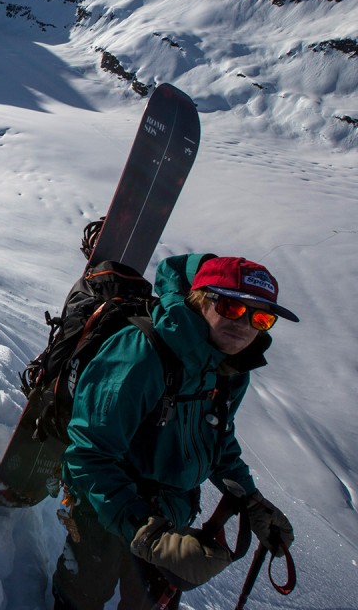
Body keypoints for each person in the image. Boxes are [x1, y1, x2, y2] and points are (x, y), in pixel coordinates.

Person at [52, 254, 298, 610]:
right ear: (200, 300)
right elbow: (88, 455)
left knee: (148, 601)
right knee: (86, 591)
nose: (244, 325)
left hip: (171, 511)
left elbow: (217, 440)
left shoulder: (230, 368)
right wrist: (145, 532)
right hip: (103, 503)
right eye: (230, 307)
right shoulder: (142, 355)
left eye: (260, 317)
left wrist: (250, 500)